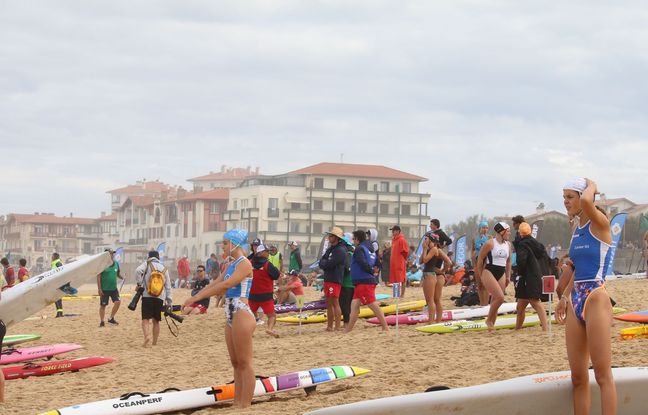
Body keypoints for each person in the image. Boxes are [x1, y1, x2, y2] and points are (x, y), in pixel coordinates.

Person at [555, 178, 617, 415]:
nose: (565, 201)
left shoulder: (601, 223)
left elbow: (589, 200)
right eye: (564, 197)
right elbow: (577, 270)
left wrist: (591, 184)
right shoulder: (577, 229)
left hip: (596, 297)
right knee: (578, 378)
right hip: (576, 298)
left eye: (570, 196)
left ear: (583, 197)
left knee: (602, 375)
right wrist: (564, 297)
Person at [183, 228, 256, 409]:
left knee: (245, 362)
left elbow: (227, 284)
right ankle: (237, 402)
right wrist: (193, 298)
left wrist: (196, 298)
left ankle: (245, 404)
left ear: (235, 244)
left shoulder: (244, 263)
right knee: (235, 362)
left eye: (225, 243)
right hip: (230, 312)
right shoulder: (231, 264)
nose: (222, 246)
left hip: (241, 310)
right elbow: (215, 283)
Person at [345, 230, 389, 332]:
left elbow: (362, 262)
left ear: (357, 239)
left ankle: (385, 326)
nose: (353, 241)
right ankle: (348, 330)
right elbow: (378, 262)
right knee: (354, 305)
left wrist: (371, 271)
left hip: (364, 281)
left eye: (353, 239)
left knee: (372, 304)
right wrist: (376, 269)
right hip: (362, 281)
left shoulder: (359, 249)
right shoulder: (371, 249)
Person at [476, 222, 512, 332]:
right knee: (500, 298)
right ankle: (488, 320)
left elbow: (509, 261)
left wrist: (508, 276)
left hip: (501, 272)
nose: (509, 233)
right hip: (489, 271)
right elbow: (480, 259)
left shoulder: (508, 245)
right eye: (508, 231)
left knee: (495, 300)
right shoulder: (490, 243)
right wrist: (481, 274)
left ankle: (491, 327)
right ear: (501, 231)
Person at [513, 222, 548, 331]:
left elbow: (521, 260)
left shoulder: (523, 245)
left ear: (520, 233)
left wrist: (520, 273)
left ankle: (546, 328)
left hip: (528, 277)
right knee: (521, 305)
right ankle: (518, 328)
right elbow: (545, 260)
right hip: (538, 275)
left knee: (535, 302)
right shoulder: (538, 245)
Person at [135, 250, 172, 347]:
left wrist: (139, 284)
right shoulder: (164, 268)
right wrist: (169, 301)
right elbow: (168, 286)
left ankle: (147, 336)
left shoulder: (147, 264)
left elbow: (138, 271)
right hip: (159, 297)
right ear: (158, 257)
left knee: (145, 319)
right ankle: (154, 343)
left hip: (147, 295)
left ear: (149, 257)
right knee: (156, 320)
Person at [248, 241, 280, 338]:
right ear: (261, 252)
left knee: (251, 315)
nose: (268, 253)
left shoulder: (249, 263)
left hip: (252, 294)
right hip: (266, 295)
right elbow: (276, 275)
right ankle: (269, 329)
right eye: (267, 251)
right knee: (272, 316)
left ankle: (250, 332)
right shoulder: (267, 264)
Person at [318, 226, 347, 332]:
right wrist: (325, 263)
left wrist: (325, 263)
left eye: (331, 236)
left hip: (335, 279)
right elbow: (322, 262)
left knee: (335, 302)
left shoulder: (340, 250)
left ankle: (337, 326)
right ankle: (329, 326)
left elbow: (329, 263)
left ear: (336, 237)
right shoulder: (331, 249)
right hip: (328, 278)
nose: (329, 237)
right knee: (328, 303)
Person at [420, 232, 452, 323]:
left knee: (433, 300)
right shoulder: (432, 249)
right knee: (435, 300)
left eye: (426, 238)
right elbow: (421, 261)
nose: (425, 240)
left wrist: (442, 271)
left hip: (434, 275)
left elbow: (449, 262)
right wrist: (424, 249)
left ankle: (433, 321)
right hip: (433, 274)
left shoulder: (435, 249)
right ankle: (436, 321)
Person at [97, 249, 124, 327]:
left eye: (113, 254)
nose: (112, 255)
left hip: (114, 289)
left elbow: (118, 274)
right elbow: (98, 277)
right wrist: (99, 289)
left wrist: (122, 277)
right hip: (104, 289)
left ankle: (111, 318)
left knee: (118, 302)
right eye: (111, 254)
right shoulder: (102, 265)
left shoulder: (116, 264)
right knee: (103, 306)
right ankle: (102, 321)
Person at [472, 220, 491, 306]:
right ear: (480, 228)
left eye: (486, 228)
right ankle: (481, 303)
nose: (485, 229)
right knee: (479, 285)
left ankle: (485, 304)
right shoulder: (474, 238)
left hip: (486, 262)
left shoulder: (490, 238)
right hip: (476, 261)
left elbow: (491, 251)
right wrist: (474, 264)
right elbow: (473, 250)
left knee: (485, 285)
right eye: (483, 227)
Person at [339, 235, 355, 328]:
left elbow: (347, 268)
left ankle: (346, 323)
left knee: (345, 304)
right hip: (352, 282)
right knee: (349, 304)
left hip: (347, 282)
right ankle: (348, 323)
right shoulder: (353, 252)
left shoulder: (348, 253)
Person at [389, 225, 409, 298]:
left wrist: (403, 260)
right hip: (394, 262)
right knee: (395, 278)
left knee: (402, 278)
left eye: (393, 231)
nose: (392, 232)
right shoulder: (394, 240)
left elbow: (405, 252)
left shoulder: (401, 240)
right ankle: (396, 294)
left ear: (397, 231)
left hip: (400, 262)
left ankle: (402, 294)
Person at [51, 253, 64, 317]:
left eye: (52, 256)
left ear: (55, 257)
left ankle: (59, 313)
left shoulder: (58, 263)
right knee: (57, 298)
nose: (51, 257)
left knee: (57, 298)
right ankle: (59, 313)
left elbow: (62, 271)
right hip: (56, 282)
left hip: (58, 283)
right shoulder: (54, 263)